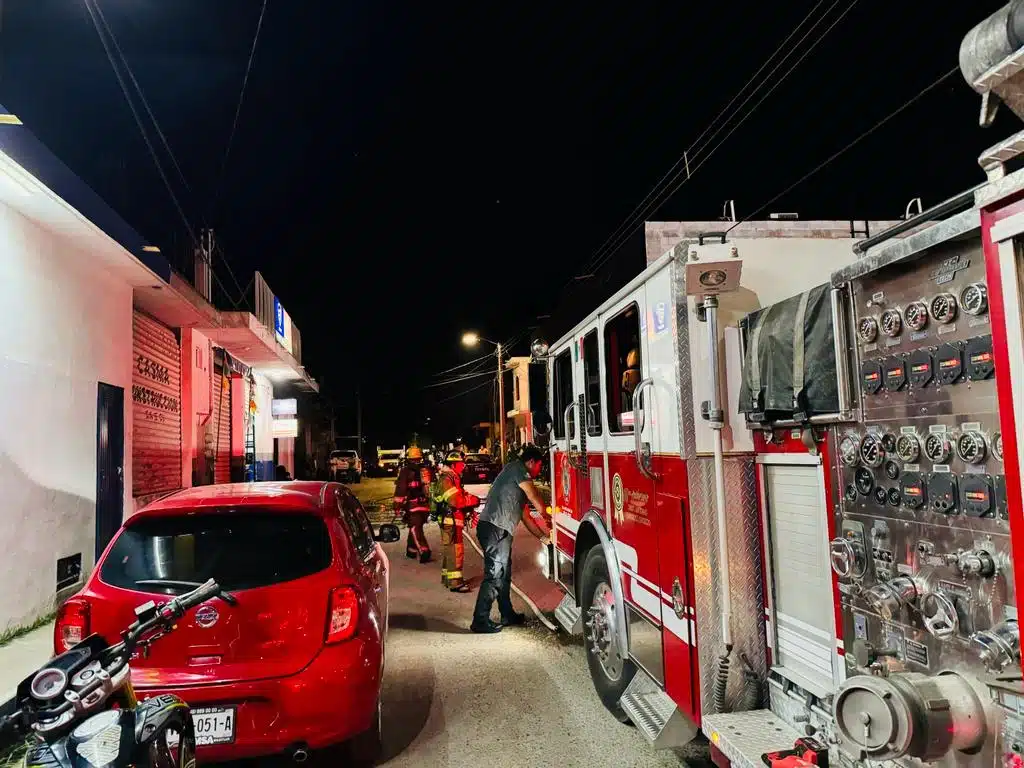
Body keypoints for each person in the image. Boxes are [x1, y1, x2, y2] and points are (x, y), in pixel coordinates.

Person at [471, 444, 550, 633]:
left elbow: (526, 517)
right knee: (495, 575)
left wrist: (543, 537)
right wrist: (551, 516)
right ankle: (480, 621)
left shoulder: (514, 481)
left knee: (504, 575)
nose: (539, 471)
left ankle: (507, 614)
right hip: (495, 529)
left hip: (499, 530)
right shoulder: (518, 470)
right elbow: (535, 497)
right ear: (531, 462)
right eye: (539, 466)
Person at [432, 455, 480, 593]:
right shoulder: (447, 479)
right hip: (450, 520)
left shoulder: (452, 478)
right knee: (455, 551)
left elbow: (460, 494)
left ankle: (448, 579)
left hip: (451, 520)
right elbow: (455, 501)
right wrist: (472, 501)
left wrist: (471, 500)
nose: (463, 466)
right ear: (453, 465)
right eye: (460, 464)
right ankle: (455, 583)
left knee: (451, 550)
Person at [393, 446, 433, 563]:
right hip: (425, 505)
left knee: (415, 527)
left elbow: (400, 489)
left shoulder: (405, 471)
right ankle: (411, 550)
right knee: (416, 526)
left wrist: (397, 506)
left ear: (409, 458)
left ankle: (423, 550)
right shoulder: (426, 469)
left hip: (413, 505)